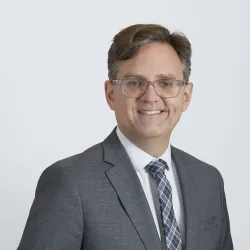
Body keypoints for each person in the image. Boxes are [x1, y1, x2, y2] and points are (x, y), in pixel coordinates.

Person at [17, 24, 233, 250]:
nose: (150, 97)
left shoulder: (208, 181)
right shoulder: (70, 182)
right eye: (134, 83)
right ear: (110, 94)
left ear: (186, 96)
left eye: (166, 83)